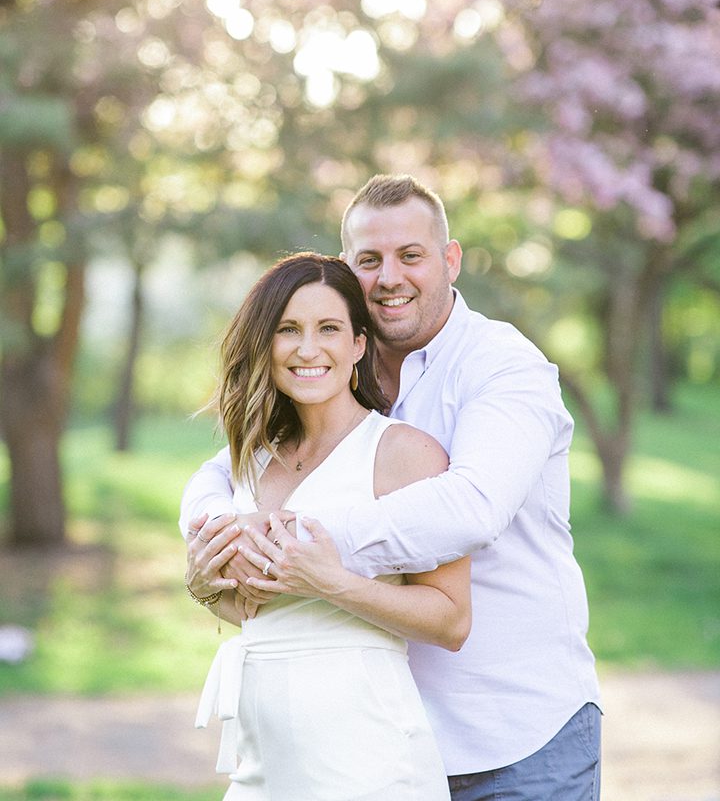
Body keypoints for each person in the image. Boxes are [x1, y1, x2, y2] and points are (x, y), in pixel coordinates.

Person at [182, 174, 602, 801]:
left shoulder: (503, 366)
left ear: (450, 260)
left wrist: (294, 545)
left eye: (412, 256)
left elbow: (473, 506)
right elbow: (225, 471)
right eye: (369, 261)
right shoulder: (337, 362)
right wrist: (212, 536)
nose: (390, 278)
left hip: (514, 731)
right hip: (375, 732)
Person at [186, 251, 470, 800]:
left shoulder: (402, 455)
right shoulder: (251, 460)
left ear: (359, 345)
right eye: (288, 329)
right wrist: (202, 587)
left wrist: (332, 582)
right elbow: (257, 608)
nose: (308, 348)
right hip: (259, 757)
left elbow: (452, 621)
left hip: (365, 757)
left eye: (329, 329)